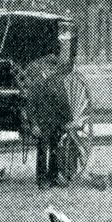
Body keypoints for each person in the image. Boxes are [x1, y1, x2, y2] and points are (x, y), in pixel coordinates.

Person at [23, 53, 71, 187]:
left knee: (55, 149)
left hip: (55, 123)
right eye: (49, 67)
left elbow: (64, 102)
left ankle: (53, 176)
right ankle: (42, 179)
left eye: (54, 68)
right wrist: (34, 125)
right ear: (44, 67)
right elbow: (30, 106)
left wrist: (68, 120)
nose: (51, 70)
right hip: (42, 123)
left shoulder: (58, 82)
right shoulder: (37, 84)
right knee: (43, 150)